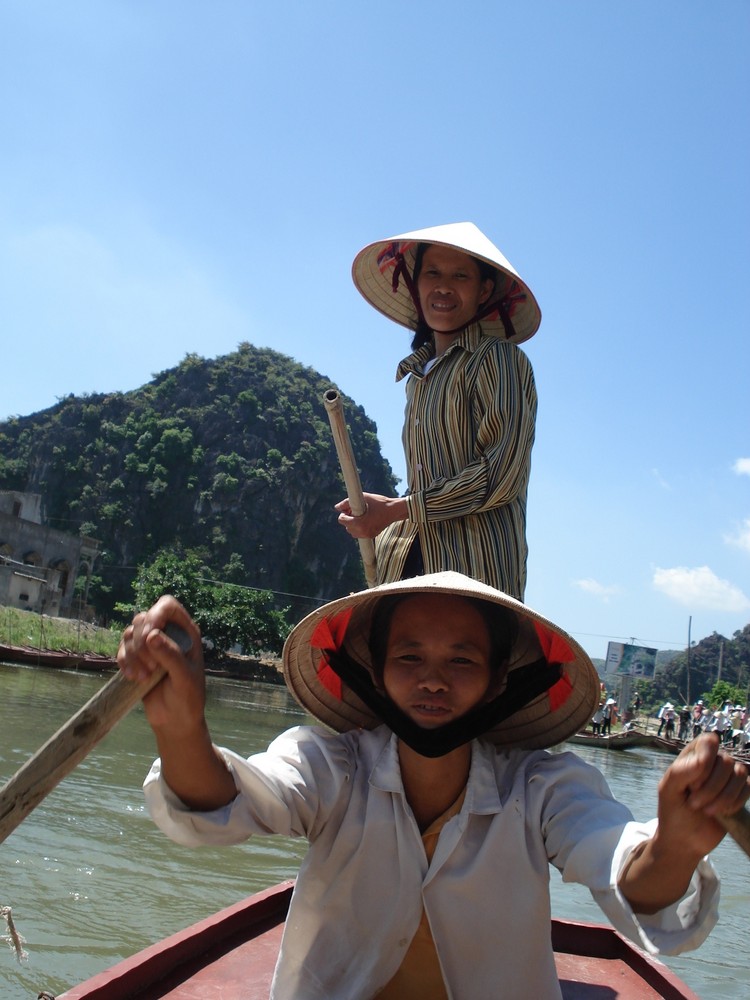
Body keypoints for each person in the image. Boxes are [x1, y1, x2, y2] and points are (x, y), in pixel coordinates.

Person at [118, 570, 749, 1000]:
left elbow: (618, 859)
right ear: (377, 670)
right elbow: (233, 801)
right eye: (409, 657)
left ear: (501, 678)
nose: (433, 681)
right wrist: (181, 729)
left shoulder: (542, 786)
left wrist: (676, 846)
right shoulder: (332, 764)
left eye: (462, 661)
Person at [336, 223, 540, 599]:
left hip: (474, 572)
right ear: (416, 285)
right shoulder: (418, 376)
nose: (443, 286)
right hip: (408, 562)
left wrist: (400, 509)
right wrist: (390, 510)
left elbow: (500, 476)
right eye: (432, 273)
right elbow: (425, 483)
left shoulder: (498, 360)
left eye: (460, 275)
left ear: (484, 291)